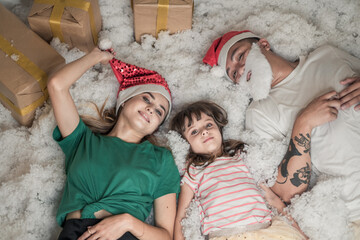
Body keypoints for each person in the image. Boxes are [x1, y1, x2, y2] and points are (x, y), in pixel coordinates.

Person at [203, 30, 360, 233]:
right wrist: (303, 123)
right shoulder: (259, 113)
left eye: (240, 56)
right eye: (233, 74)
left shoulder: (328, 55)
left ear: (263, 45)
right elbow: (286, 194)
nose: (240, 69)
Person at [48, 47, 180, 240]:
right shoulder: (81, 140)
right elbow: (56, 85)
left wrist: (127, 221)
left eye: (160, 112)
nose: (152, 109)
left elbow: (165, 236)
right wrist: (96, 56)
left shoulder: (161, 160)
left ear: (156, 127)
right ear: (125, 100)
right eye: (146, 98)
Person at [170, 100, 317, 240]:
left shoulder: (241, 158)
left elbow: (271, 198)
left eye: (208, 125)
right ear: (185, 143)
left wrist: (298, 230)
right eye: (194, 131)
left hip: (265, 231)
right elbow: (182, 216)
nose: (204, 132)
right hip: (225, 235)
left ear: (219, 127)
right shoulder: (193, 172)